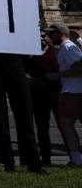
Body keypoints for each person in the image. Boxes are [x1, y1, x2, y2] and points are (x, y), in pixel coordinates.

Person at [0, 16, 44, 174]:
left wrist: (34, 26)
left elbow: (28, 42)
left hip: (15, 64)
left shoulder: (16, 16)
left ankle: (33, 161)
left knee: (25, 115)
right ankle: (7, 162)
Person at [44, 22, 82, 166]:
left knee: (66, 125)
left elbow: (79, 67)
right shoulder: (66, 47)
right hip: (76, 91)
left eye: (52, 33)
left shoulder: (67, 47)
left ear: (61, 34)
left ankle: (76, 159)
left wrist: (58, 75)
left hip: (71, 92)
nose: (49, 36)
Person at [27, 37, 61, 165]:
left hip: (55, 93)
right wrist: (32, 80)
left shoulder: (55, 51)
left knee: (63, 125)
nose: (43, 39)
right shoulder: (30, 54)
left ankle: (73, 154)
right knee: (42, 127)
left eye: (45, 36)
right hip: (38, 94)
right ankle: (46, 157)